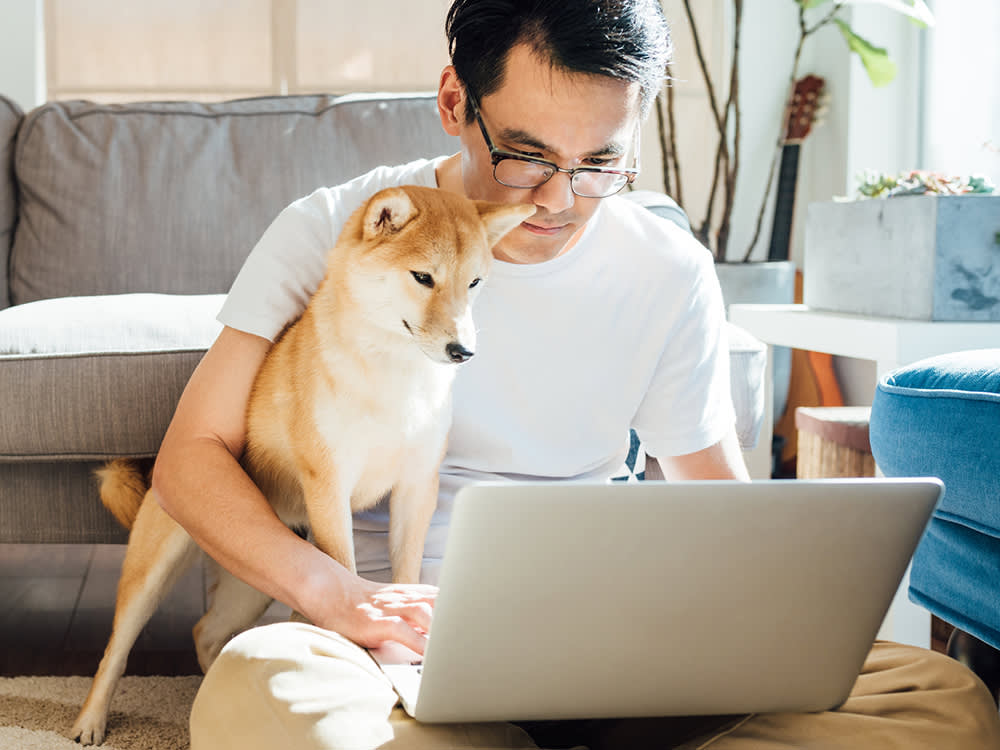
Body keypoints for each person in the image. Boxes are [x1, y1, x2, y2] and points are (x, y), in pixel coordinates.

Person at [152, 1, 1000, 747]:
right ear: (455, 102)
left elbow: (714, 494)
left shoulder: (667, 269)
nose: (558, 201)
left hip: (613, 638)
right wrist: (335, 596)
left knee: (941, 702)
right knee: (266, 696)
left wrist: (762, 637)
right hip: (390, 644)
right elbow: (192, 456)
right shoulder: (339, 229)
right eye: (525, 155)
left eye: (600, 163)